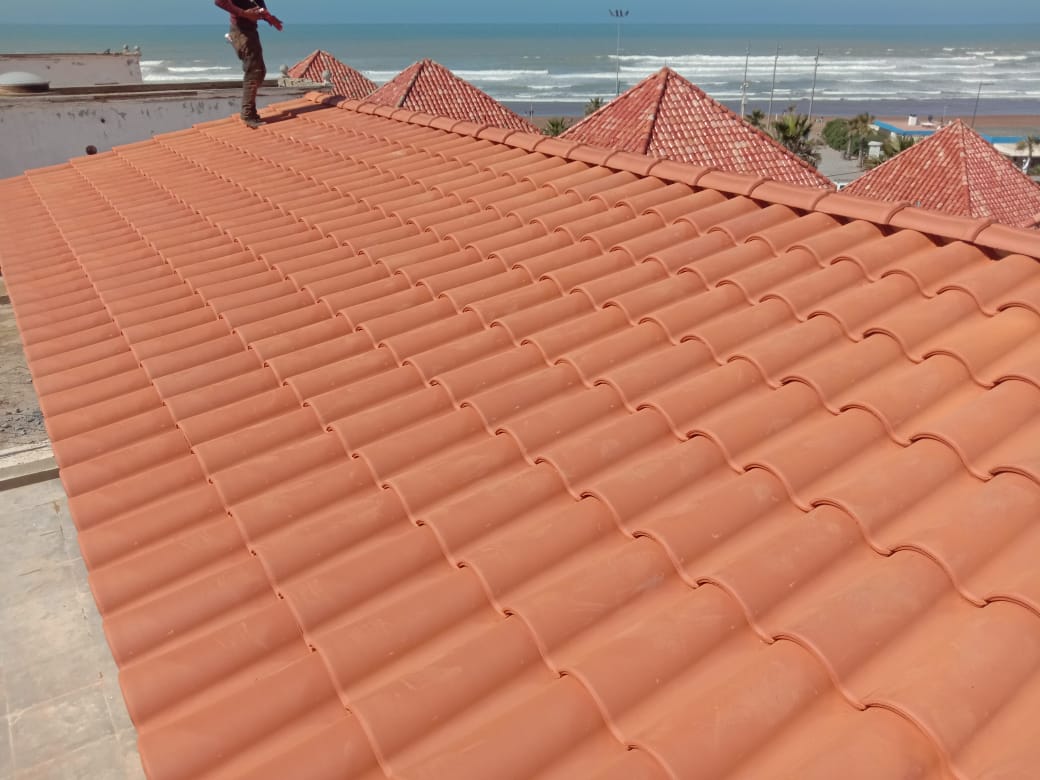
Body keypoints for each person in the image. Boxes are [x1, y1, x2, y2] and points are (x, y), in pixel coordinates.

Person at [213, 0, 283, 128]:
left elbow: (256, 3)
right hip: (241, 32)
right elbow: (219, 1)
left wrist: (268, 17)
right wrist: (244, 13)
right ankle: (248, 114)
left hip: (249, 31)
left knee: (259, 71)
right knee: (254, 71)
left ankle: (250, 112)